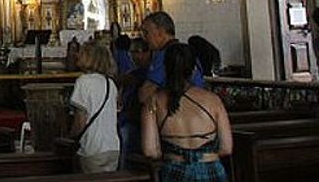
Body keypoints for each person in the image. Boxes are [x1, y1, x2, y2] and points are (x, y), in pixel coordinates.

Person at [141, 43, 232, 181]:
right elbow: (226, 148)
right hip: (211, 169)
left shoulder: (153, 102)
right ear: (194, 69)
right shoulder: (213, 101)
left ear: (165, 68)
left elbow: (150, 151)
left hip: (175, 170)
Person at [69, 41, 121, 173]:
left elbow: (80, 120)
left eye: (81, 53)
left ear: (90, 57)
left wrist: (70, 136)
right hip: (113, 147)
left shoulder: (83, 81)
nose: (77, 55)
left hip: (93, 147)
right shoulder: (110, 83)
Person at [139, 11, 204, 102]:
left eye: (146, 33)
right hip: (199, 104)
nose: (145, 38)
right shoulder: (189, 52)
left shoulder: (164, 55)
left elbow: (144, 95)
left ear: (160, 32)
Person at [118, 37, 152, 168]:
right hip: (129, 119)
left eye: (136, 52)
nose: (133, 56)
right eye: (131, 52)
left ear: (147, 52)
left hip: (137, 120)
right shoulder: (133, 73)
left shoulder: (148, 74)